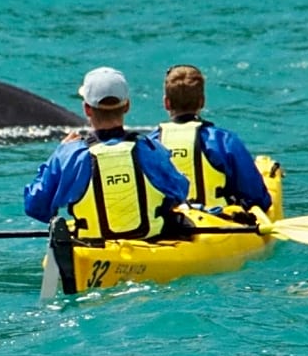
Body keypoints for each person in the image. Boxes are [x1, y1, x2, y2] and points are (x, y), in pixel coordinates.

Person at [24, 67, 190, 240]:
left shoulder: (69, 156)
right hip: (149, 244)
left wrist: (58, 153)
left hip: (92, 248)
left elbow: (36, 207)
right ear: (127, 106)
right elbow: (180, 192)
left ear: (87, 109)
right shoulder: (152, 150)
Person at [150, 65, 271, 212]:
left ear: (166, 103)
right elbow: (258, 198)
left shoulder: (149, 144)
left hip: (169, 226)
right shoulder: (223, 141)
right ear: (202, 102)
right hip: (217, 224)